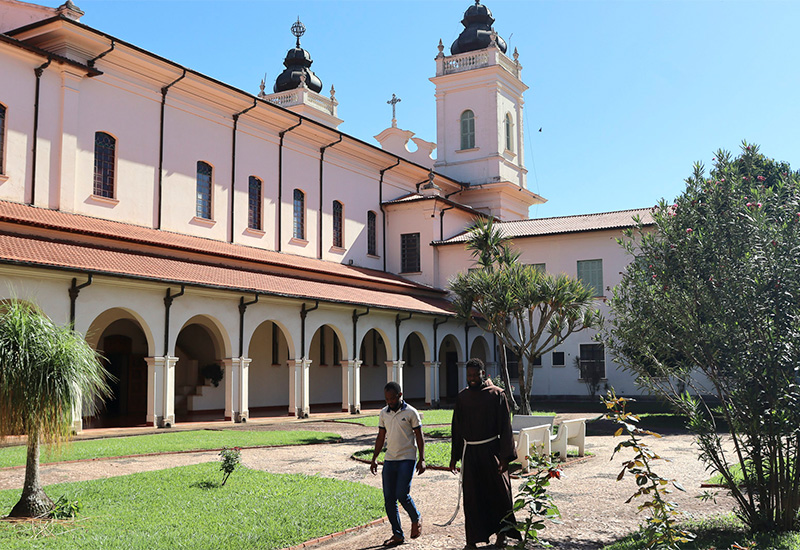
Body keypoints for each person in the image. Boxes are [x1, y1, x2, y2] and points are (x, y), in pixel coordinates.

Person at [449, 358, 518, 549]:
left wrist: (505, 457)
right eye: (469, 375)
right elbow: (456, 429)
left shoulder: (497, 394)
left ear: (483, 373)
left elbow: (505, 427)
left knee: (499, 494)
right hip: (470, 453)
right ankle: (471, 540)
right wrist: (454, 456)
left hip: (491, 451)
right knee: (472, 497)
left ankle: (502, 534)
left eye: (475, 375)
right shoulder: (462, 398)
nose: (471, 378)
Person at [371, 381, 426, 546]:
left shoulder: (411, 412)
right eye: (387, 399)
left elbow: (419, 437)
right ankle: (397, 534)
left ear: (400, 395)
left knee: (402, 494)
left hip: (407, 458)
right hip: (390, 459)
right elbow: (381, 437)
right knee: (389, 499)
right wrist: (374, 458)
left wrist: (422, 459)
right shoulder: (383, 413)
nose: (389, 402)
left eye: (392, 398)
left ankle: (416, 518)